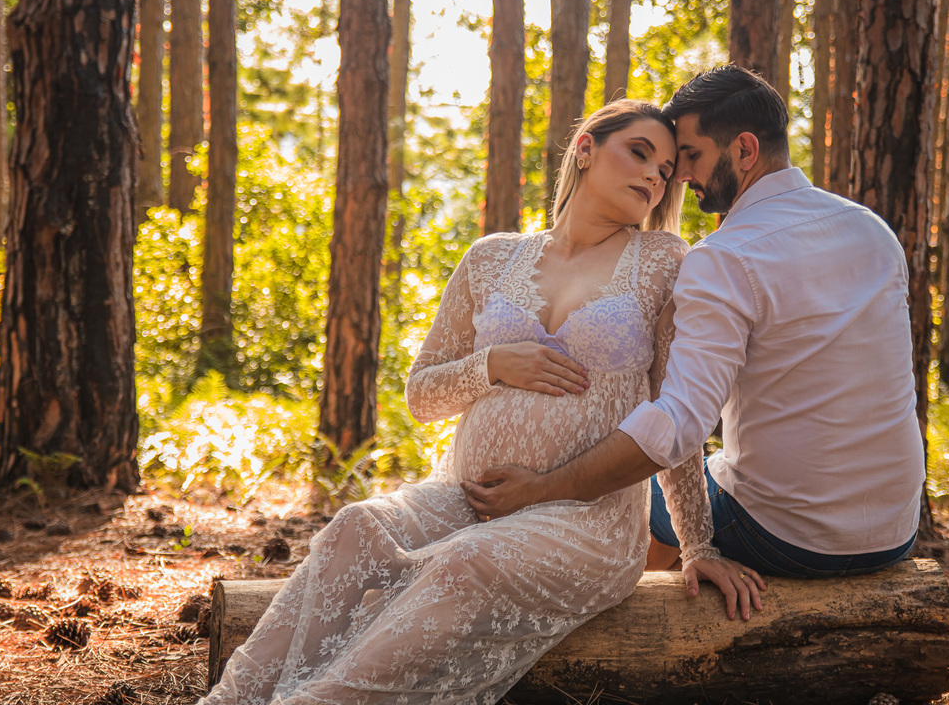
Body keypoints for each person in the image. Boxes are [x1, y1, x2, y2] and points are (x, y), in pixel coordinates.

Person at [200, 100, 752, 705]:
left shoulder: (664, 262)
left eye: (667, 170)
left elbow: (676, 417)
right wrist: (490, 365)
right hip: (471, 499)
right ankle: (231, 699)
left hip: (587, 521)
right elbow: (421, 396)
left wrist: (696, 546)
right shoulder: (491, 258)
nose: (654, 175)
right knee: (357, 525)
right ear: (588, 149)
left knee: (464, 562)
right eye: (640, 153)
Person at [464, 65, 926, 619]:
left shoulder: (725, 257)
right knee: (689, 484)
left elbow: (678, 424)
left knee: (635, 496)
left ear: (746, 149)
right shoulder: (870, 230)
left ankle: (638, 626)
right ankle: (670, 593)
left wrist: (542, 486)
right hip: (897, 529)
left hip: (789, 537)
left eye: (692, 156)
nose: (679, 177)